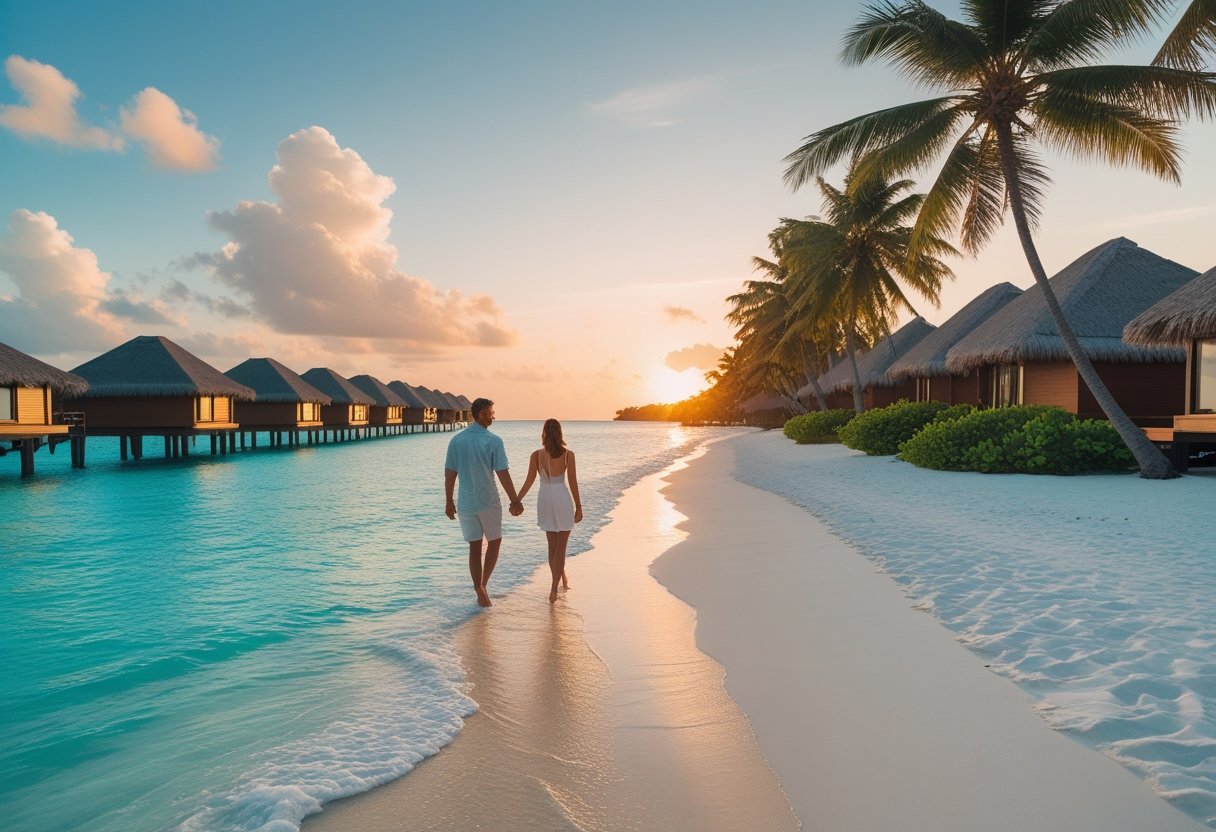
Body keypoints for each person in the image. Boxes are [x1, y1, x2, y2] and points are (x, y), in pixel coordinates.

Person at [444, 397, 524, 607]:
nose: (493, 416)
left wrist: (448, 501)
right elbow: (502, 473)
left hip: (466, 502)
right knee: (495, 541)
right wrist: (514, 499)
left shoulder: (457, 440)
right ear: (480, 414)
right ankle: (483, 585)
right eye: (490, 412)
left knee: (474, 546)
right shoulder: (493, 441)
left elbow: (450, 473)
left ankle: (478, 587)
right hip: (488, 500)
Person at [517, 418, 583, 603]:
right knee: (561, 548)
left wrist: (517, 500)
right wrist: (578, 506)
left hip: (545, 498)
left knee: (552, 546)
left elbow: (529, 481)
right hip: (561, 497)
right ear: (560, 433)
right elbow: (573, 482)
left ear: (544, 433)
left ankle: (560, 577)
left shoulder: (536, 455)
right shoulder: (568, 455)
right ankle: (554, 589)